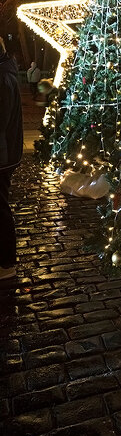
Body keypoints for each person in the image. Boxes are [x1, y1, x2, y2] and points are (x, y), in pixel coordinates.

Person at [0, 36, 23, 280]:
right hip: (4, 153)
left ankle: (6, 263)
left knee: (0, 209)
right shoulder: (5, 70)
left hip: (2, 156)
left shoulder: (2, 77)